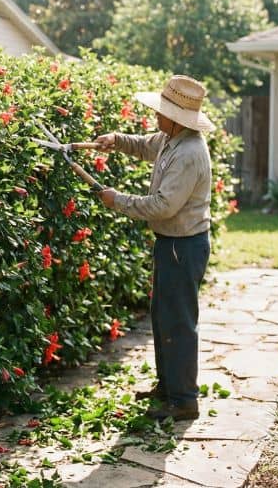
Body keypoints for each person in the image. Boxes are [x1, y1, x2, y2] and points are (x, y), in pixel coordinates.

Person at [94, 75, 214, 422]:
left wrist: (117, 200)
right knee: (163, 317)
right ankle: (169, 388)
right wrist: (116, 141)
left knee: (178, 321)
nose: (156, 117)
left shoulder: (190, 153)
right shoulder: (171, 138)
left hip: (183, 245)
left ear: (177, 117)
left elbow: (163, 206)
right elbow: (146, 145)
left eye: (161, 112)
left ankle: (184, 400)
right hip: (172, 244)